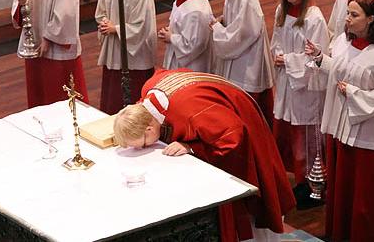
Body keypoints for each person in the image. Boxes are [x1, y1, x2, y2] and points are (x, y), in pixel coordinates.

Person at [113, 69, 296, 242]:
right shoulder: (148, 96)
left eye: (144, 143)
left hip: (243, 124)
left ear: (149, 128)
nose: (147, 146)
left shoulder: (188, 112)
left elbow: (231, 136)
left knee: (255, 203)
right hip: (220, 109)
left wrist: (193, 147)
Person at [305, 0, 374, 241]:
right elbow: (341, 69)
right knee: (345, 191)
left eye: (354, 15)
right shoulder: (341, 42)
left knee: (365, 195)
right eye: (347, 13)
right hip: (342, 130)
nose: (347, 19)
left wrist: (351, 92)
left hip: (367, 134)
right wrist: (320, 59)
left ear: (371, 19)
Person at [270, 0, 329, 209]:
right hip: (287, 82)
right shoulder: (281, 12)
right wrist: (277, 55)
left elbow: (318, 55)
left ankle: (316, 186)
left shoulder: (314, 18)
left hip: (307, 87)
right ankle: (302, 180)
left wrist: (290, 60)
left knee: (308, 137)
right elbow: (275, 41)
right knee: (294, 137)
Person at [211, 0, 274, 126]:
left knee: (250, 110)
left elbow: (245, 32)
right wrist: (223, 20)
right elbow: (239, 20)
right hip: (241, 55)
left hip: (247, 59)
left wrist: (217, 29)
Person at [96, 0, 157, 115]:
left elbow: (142, 26)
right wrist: (105, 23)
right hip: (113, 47)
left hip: (133, 56)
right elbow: (101, 12)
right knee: (113, 96)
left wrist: (116, 29)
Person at [159, 0, 213, 73]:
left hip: (192, 67)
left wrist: (171, 37)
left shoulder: (196, 10)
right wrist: (170, 31)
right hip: (179, 59)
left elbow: (195, 45)